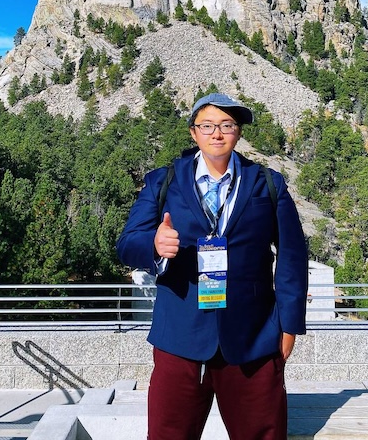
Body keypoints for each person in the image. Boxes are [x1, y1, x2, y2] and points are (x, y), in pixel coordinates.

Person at [116, 92, 308, 440]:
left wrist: (290, 325)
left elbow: (292, 258)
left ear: (238, 133)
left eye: (226, 125)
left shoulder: (267, 183)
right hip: (180, 335)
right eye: (207, 125)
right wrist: (154, 245)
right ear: (193, 132)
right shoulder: (164, 181)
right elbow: (127, 243)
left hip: (253, 338)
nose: (217, 133)